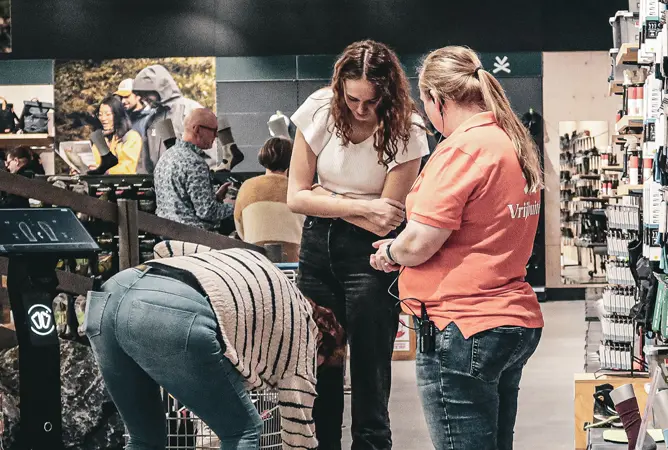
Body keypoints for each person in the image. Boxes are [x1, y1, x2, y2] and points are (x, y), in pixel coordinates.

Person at [369, 46, 544, 450]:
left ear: (437, 99)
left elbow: (420, 243)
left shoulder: (462, 150)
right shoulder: (509, 142)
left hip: (461, 326)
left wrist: (391, 253)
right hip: (508, 316)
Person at [287, 40, 430, 449]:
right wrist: (360, 206)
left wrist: (326, 198)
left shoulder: (407, 128)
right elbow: (295, 197)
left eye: (371, 100)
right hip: (316, 250)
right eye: (352, 98)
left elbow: (390, 216)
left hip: (372, 256)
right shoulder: (318, 109)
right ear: (339, 88)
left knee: (371, 376)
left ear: (389, 93)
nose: (361, 109)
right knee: (321, 369)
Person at [85, 240, 345, 450]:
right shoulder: (304, 341)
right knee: (243, 430)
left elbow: (166, 248)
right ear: (322, 342)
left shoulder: (262, 270)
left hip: (109, 296)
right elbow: (299, 436)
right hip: (171, 312)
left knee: (144, 439)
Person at [153, 108, 233, 230]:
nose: (216, 135)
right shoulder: (195, 162)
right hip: (195, 239)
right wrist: (236, 205)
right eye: (213, 130)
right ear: (197, 129)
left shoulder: (165, 157)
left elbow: (181, 202)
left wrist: (216, 197)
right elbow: (207, 212)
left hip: (168, 237)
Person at [234, 137, 304, 262]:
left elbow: (240, 229)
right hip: (293, 263)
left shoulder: (247, 187)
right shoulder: (298, 189)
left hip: (256, 261)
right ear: (291, 160)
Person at [132, 64, 203, 174]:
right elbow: (144, 165)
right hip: (161, 186)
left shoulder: (192, 111)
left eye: (146, 93)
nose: (144, 98)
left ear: (160, 87)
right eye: (141, 94)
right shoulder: (152, 120)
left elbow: (211, 156)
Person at [89, 95, 143, 175]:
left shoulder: (131, 137)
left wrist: (104, 171)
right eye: (100, 115)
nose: (103, 118)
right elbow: (94, 163)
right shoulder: (102, 139)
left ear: (118, 115)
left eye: (108, 114)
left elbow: (129, 168)